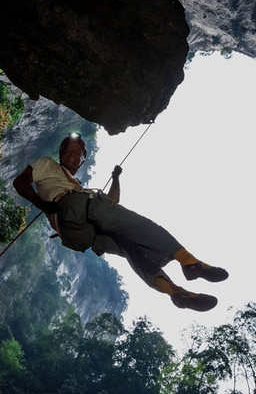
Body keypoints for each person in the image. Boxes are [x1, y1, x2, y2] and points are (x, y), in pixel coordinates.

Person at [13, 133, 228, 311]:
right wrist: (42, 204)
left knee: (131, 246)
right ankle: (188, 260)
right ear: (61, 153)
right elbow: (20, 182)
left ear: (81, 162)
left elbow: (111, 204)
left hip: (83, 235)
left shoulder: (78, 186)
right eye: (69, 150)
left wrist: (115, 177)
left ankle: (174, 291)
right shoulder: (47, 164)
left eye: (78, 153)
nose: (73, 153)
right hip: (70, 208)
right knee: (136, 226)